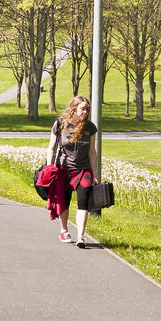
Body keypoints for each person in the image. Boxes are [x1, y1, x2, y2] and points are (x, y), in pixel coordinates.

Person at [45, 95, 100, 248]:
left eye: (87, 109)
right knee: (65, 201)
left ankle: (81, 236)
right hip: (63, 169)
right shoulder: (60, 124)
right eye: (82, 109)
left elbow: (92, 152)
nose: (85, 112)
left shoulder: (90, 127)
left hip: (83, 170)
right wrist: (49, 167)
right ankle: (64, 230)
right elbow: (51, 148)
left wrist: (94, 174)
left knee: (83, 201)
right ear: (74, 108)